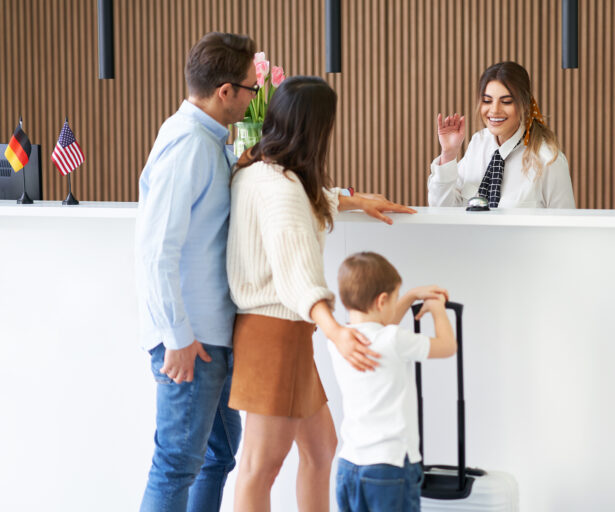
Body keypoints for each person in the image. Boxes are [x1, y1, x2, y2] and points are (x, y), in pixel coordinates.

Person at [226, 76, 417, 511]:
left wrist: (353, 199)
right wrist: (336, 330)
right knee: (261, 466)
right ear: (314, 129)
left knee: (321, 448)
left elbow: (306, 202)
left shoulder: (260, 171)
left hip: (282, 334)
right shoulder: (281, 189)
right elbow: (298, 275)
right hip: (274, 335)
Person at [135, 32, 259, 512]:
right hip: (191, 342)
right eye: (250, 89)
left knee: (218, 455)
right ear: (225, 91)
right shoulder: (188, 143)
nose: (252, 99)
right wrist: (177, 337)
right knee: (176, 466)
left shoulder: (208, 142)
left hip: (212, 338)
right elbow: (155, 251)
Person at [330, 252, 457, 512]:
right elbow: (447, 347)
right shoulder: (394, 340)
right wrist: (436, 310)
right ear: (382, 300)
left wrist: (410, 295)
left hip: (349, 466)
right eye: (396, 298)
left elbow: (382, 324)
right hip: (390, 467)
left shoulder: (341, 342)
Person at [428, 61, 575, 209]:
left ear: (524, 104)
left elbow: (566, 226)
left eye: (506, 102)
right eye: (487, 101)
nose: (494, 110)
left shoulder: (548, 160)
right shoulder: (478, 143)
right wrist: (448, 155)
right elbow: (443, 209)